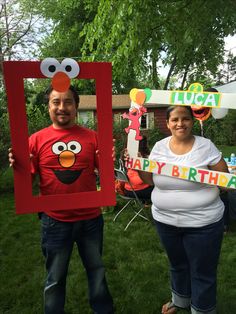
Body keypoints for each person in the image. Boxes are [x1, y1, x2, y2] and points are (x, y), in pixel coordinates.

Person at [9, 85, 114, 314]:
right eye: (56, 102)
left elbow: (107, 176)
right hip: (55, 221)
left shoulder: (93, 138)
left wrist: (110, 159)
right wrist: (19, 167)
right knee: (55, 278)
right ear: (48, 106)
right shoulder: (35, 140)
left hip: (90, 220)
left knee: (96, 270)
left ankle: (103, 310)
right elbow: (27, 184)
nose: (62, 107)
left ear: (76, 106)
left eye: (68, 102)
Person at [134, 105, 229, 314]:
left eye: (185, 118)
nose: (180, 123)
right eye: (175, 119)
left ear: (192, 121)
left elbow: (225, 182)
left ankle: (202, 310)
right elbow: (150, 179)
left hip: (203, 223)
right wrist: (137, 165)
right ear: (167, 123)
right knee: (177, 264)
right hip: (165, 221)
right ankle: (180, 301)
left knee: (202, 272)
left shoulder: (206, 146)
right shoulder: (159, 147)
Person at [123, 136, 153, 201]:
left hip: (128, 190)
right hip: (139, 191)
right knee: (160, 187)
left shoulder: (127, 156)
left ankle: (145, 203)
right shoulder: (145, 158)